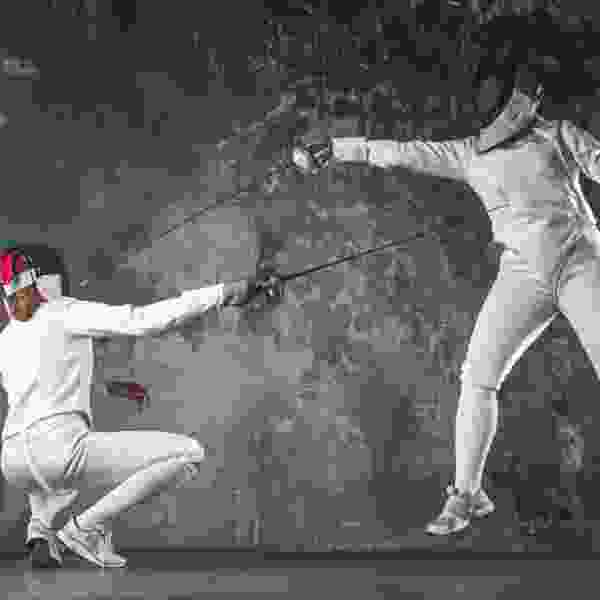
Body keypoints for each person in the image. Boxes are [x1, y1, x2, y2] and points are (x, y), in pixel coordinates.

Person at [294, 49, 600, 536]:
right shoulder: (469, 155)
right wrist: (337, 147)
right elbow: (402, 153)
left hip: (581, 263)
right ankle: (467, 493)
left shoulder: (559, 135)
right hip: (523, 275)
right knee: (477, 376)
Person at [0, 243, 283, 568]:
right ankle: (85, 529)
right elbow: (143, 320)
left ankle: (39, 530)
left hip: (12, 462)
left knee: (47, 469)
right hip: (60, 451)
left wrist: (115, 387)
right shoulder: (66, 311)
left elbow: (45, 380)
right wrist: (225, 293)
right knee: (188, 454)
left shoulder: (6, 338)